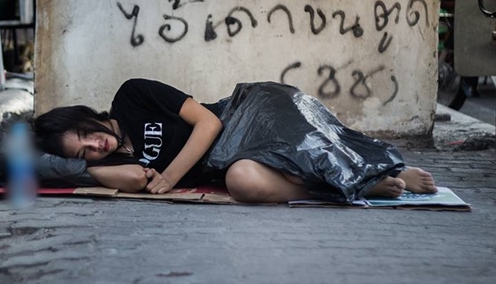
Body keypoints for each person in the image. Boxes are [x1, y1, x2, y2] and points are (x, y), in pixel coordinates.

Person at [32, 78, 437, 204]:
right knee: (242, 182)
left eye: (85, 134)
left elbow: (208, 123)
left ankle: (371, 175)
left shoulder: (131, 96)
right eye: (83, 152)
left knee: (302, 147)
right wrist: (83, 167)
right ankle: (344, 187)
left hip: (246, 114)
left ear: (84, 116)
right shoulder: (107, 165)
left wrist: (170, 176)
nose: (95, 146)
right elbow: (138, 180)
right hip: (232, 161)